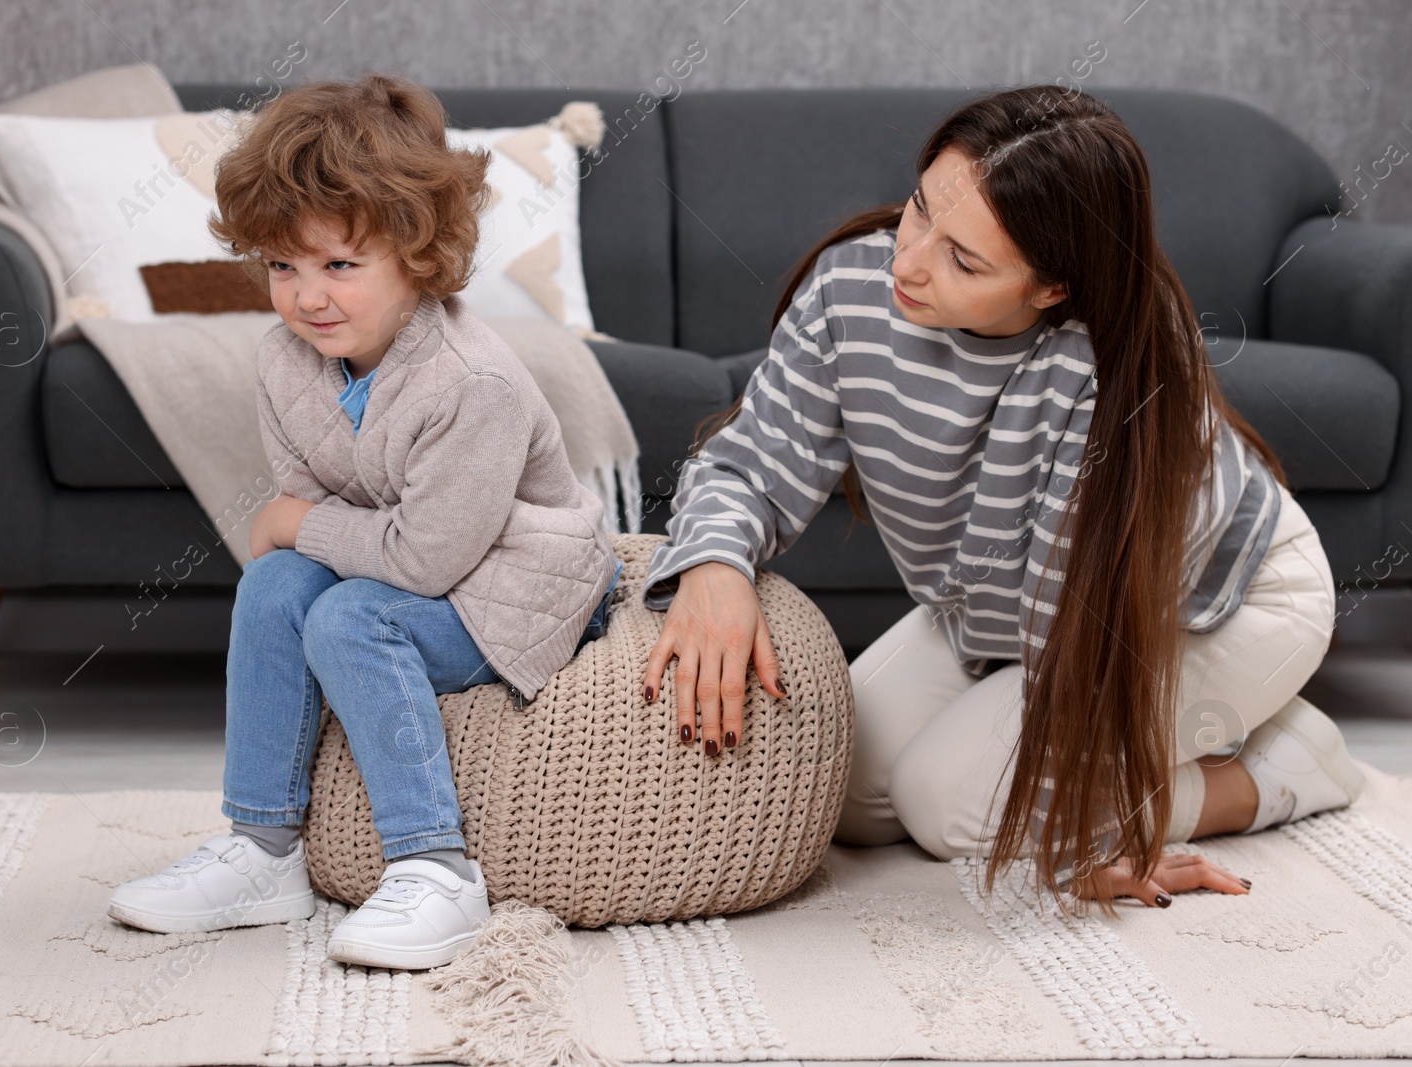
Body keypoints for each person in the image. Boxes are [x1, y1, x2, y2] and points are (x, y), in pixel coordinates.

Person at [639, 83, 1364, 911]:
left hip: (1209, 608)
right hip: (995, 614)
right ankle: (1197, 737)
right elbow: (750, 463)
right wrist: (716, 566)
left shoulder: (1100, 370)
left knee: (946, 804)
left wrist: (1087, 830)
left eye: (964, 259)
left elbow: (1080, 632)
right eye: (919, 210)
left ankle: (1280, 765)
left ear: (1052, 286)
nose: (905, 262)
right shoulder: (850, 291)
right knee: (839, 790)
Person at [107, 74, 621, 968]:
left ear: (419, 256)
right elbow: (321, 510)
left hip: (515, 583)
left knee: (350, 613)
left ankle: (437, 868)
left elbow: (420, 560)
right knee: (272, 583)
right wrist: (295, 530)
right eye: (282, 266)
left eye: (340, 265)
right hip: (408, 567)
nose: (309, 297)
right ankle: (262, 849)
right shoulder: (286, 360)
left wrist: (294, 522)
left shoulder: (472, 383)